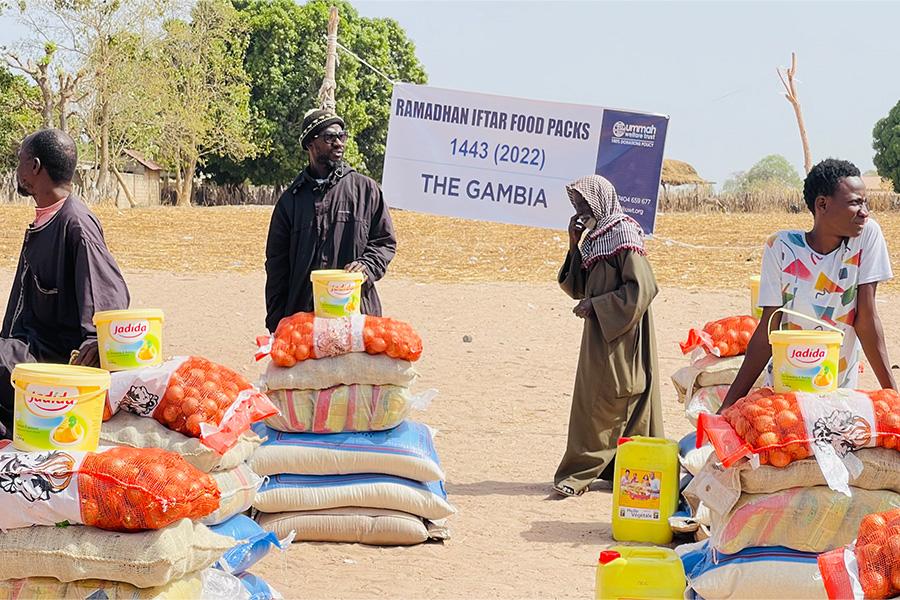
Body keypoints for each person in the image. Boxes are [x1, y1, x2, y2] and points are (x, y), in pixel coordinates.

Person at [720, 159, 897, 412]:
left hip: (838, 389)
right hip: (786, 390)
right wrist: (728, 405)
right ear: (822, 204)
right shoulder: (781, 247)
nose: (865, 211)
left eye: (865, 202)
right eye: (855, 203)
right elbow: (770, 327)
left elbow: (865, 318)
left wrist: (893, 396)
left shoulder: (866, 237)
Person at [0, 128, 130, 436]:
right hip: (23, 348)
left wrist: (94, 343)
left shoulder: (76, 224)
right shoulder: (47, 218)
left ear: (34, 167)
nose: (17, 169)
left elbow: (108, 297)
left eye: (21, 161)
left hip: (50, 360)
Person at [553, 175, 663, 497]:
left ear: (599, 200)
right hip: (601, 332)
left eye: (584, 202)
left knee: (611, 398)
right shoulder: (595, 239)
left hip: (623, 334)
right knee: (594, 397)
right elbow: (576, 288)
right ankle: (615, 469)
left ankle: (578, 474)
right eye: (576, 204)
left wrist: (598, 305)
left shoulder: (623, 234)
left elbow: (643, 289)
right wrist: (574, 244)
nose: (580, 209)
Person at [264, 108, 397, 332]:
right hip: (304, 320)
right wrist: (276, 323)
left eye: (341, 136)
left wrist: (367, 265)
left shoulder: (366, 190)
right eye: (329, 137)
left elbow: (384, 242)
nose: (338, 143)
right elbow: (277, 267)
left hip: (357, 315)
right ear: (310, 144)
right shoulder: (290, 202)